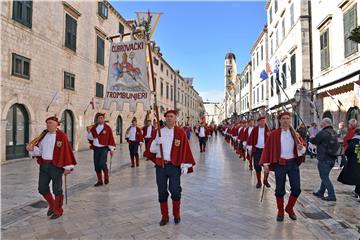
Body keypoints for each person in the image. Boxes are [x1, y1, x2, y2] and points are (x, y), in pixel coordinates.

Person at [149, 110, 196, 226]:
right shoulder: (159, 131)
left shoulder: (180, 132)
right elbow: (151, 150)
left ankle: (176, 214)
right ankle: (164, 216)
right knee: (162, 191)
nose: (169, 118)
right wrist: (156, 143)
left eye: (171, 116)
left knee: (175, 191)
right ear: (165, 119)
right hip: (161, 166)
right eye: (167, 117)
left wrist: (185, 164)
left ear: (175, 119)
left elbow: (185, 148)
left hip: (174, 166)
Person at [26, 116, 76, 219]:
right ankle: (52, 205)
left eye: (50, 123)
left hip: (56, 166)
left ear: (56, 124)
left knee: (57, 189)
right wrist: (32, 149)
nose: (48, 125)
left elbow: (66, 151)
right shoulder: (43, 135)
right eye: (47, 123)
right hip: (44, 165)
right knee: (42, 188)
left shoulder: (62, 136)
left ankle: (58, 211)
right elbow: (40, 151)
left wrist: (67, 168)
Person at [260, 112, 306, 222]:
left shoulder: (295, 134)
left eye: (288, 118)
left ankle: (289, 208)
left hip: (293, 164)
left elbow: (302, 148)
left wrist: (301, 148)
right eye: (283, 118)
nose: (286, 120)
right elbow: (267, 149)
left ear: (290, 120)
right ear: (280, 121)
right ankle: (280, 211)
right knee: (279, 189)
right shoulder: (274, 134)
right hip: (280, 164)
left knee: (296, 189)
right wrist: (266, 164)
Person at [310, 118, 338, 201]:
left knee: (324, 177)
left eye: (322, 124)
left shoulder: (323, 133)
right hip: (332, 158)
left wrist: (311, 138)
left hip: (324, 158)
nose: (321, 125)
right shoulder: (334, 132)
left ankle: (332, 195)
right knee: (325, 176)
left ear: (325, 124)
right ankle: (321, 192)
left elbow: (315, 141)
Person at [87, 113, 116, 186]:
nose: (100, 119)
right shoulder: (94, 128)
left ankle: (106, 177)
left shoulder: (107, 128)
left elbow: (110, 138)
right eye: (99, 118)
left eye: (102, 118)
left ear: (103, 119)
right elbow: (90, 138)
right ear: (97, 119)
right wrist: (89, 131)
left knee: (102, 163)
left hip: (104, 148)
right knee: (96, 165)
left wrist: (111, 149)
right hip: (96, 148)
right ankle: (100, 180)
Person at [247, 116, 271, 188]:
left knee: (267, 167)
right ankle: (259, 181)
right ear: (258, 122)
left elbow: (271, 140)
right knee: (257, 166)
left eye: (264, 121)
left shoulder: (268, 130)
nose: (263, 122)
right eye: (261, 121)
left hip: (266, 151)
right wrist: (250, 148)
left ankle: (265, 180)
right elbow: (251, 139)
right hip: (257, 150)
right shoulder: (255, 130)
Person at [338, 127, 360, 199]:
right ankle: (357, 191)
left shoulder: (353, 142)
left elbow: (347, 152)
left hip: (354, 163)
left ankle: (358, 192)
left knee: (357, 177)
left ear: (355, 133)